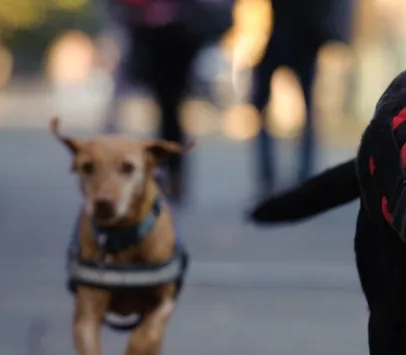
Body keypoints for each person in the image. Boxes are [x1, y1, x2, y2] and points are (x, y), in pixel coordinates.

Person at [110, 0, 234, 203]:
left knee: (169, 112)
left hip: (177, 37)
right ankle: (171, 173)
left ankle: (171, 173)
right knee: (168, 112)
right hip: (159, 37)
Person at [249, 0, 354, 201]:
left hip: (293, 40)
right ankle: (290, 178)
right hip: (298, 40)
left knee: (295, 113)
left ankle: (276, 178)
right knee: (303, 113)